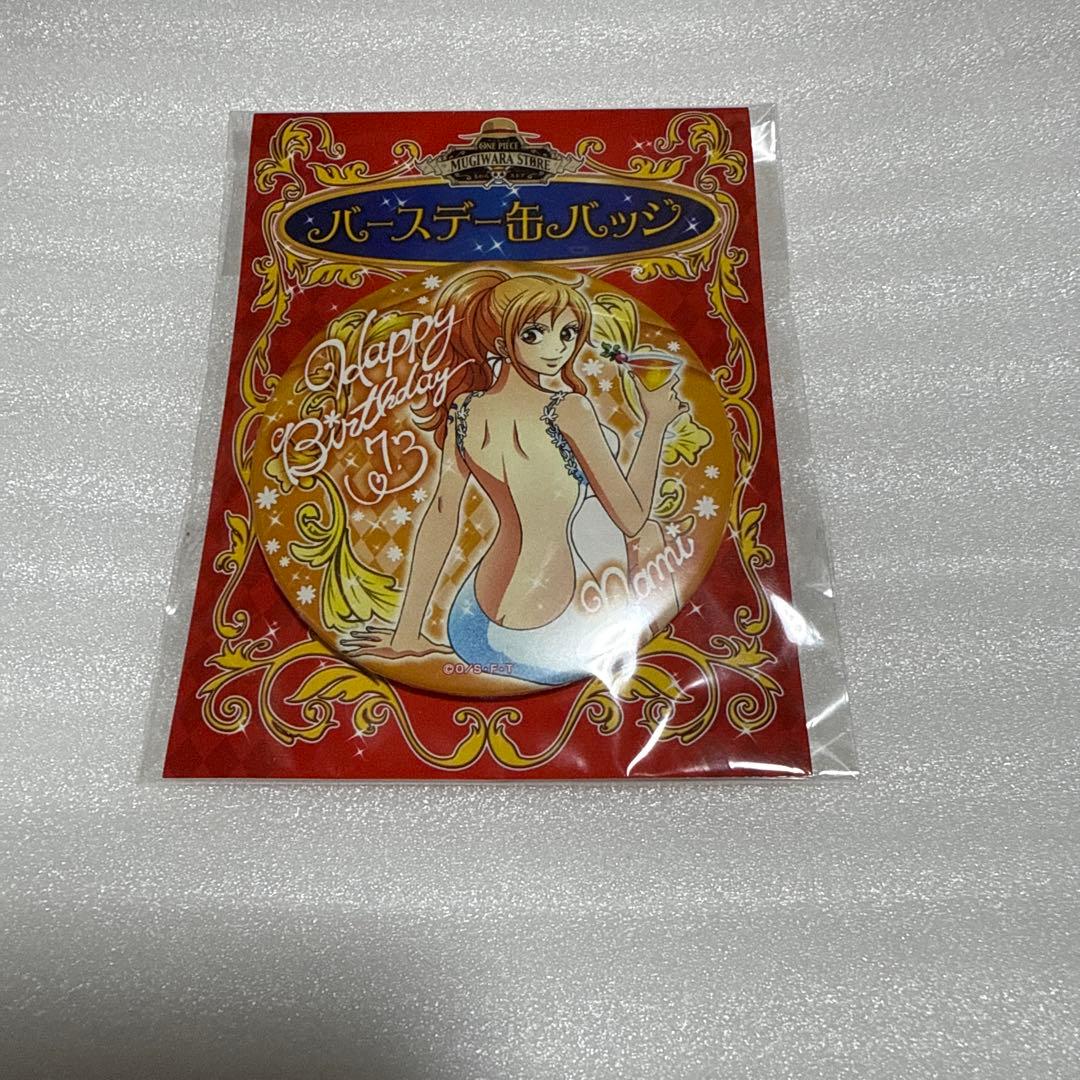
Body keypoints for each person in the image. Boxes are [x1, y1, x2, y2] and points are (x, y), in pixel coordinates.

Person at [351, 267, 686, 686]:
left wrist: (407, 634)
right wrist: (655, 424)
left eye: (568, 333)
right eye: (534, 334)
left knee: (597, 524)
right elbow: (633, 519)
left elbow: (440, 516)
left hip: (470, 627)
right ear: (500, 342)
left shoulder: (464, 410)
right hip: (548, 637)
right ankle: (664, 667)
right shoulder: (569, 409)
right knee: (649, 534)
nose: (556, 348)